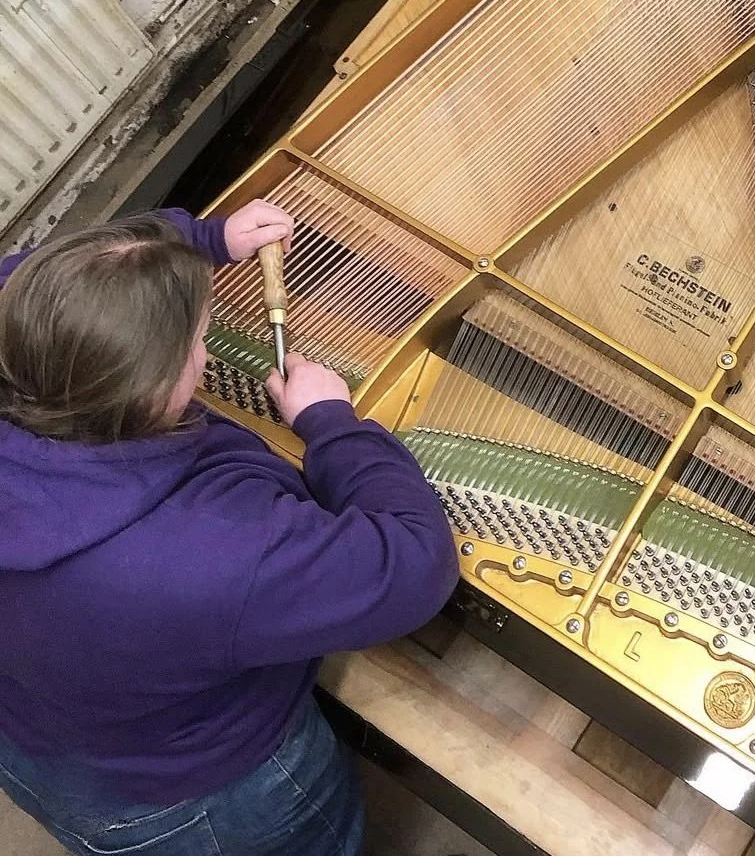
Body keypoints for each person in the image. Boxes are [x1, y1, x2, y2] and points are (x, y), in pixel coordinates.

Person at [0, 201, 460, 855]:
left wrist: (202, 240)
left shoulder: (18, 339)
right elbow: (413, 561)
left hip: (29, 734)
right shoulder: (205, 550)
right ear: (162, 386)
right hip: (192, 800)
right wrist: (330, 421)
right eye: (199, 339)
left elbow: (23, 277)